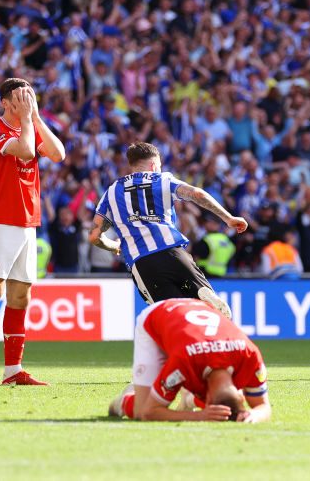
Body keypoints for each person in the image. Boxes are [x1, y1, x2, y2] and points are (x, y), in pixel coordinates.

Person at [0, 78, 66, 387]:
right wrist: (27, 120)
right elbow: (25, 152)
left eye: (30, 97)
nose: (26, 101)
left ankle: (13, 370)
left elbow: (58, 153)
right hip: (0, 218)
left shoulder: (29, 125)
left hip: (28, 221)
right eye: (21, 98)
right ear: (5, 103)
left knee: (21, 295)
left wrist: (35, 117)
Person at [89, 142, 244, 317]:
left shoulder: (111, 191)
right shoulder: (163, 179)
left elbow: (94, 236)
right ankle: (202, 296)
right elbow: (197, 194)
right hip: (174, 253)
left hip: (142, 262)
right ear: (155, 165)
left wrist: (114, 246)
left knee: (172, 318)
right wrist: (229, 218)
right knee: (203, 311)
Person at [108, 298, 271, 423]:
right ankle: (124, 400)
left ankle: (188, 399)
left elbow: (264, 407)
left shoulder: (251, 356)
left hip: (197, 309)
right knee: (140, 409)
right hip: (157, 314)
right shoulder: (184, 360)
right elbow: (149, 412)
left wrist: (255, 414)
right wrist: (200, 416)